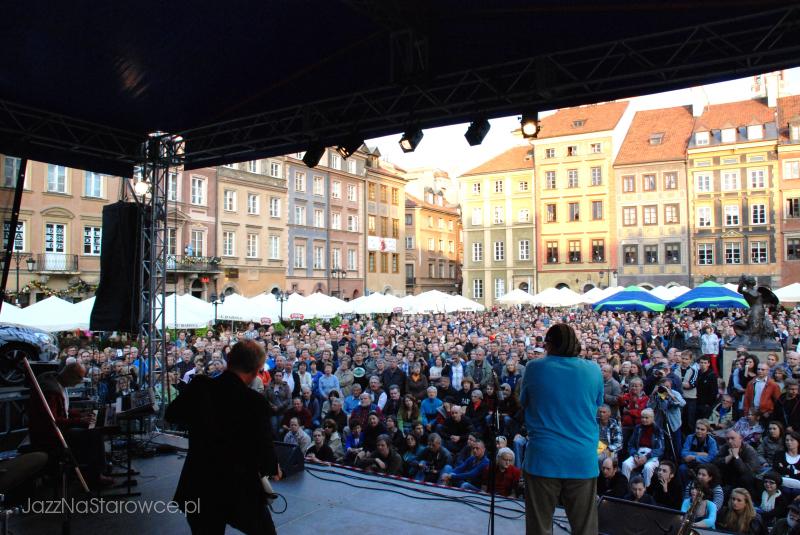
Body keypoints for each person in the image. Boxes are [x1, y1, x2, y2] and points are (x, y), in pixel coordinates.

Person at [165, 340, 280, 535]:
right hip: (239, 487)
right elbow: (265, 450)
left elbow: (171, 415)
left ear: (229, 361)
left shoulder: (200, 386)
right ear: (255, 370)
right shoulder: (255, 402)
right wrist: (272, 467)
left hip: (200, 483)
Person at [520, 323, 603, 535]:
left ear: (548, 345)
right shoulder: (594, 369)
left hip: (543, 458)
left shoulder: (534, 368)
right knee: (585, 529)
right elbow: (597, 403)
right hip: (581, 457)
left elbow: (524, 402)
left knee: (539, 528)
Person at [27, 362, 111, 489]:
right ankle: (95, 476)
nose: (80, 381)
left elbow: (64, 411)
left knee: (93, 427)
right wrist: (80, 420)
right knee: (94, 433)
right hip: (51, 435)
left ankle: (95, 466)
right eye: (79, 378)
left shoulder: (58, 383)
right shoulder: (51, 392)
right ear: (70, 375)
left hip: (58, 429)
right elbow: (53, 420)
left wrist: (81, 415)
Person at [621, 408, 664, 486]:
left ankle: (646, 490)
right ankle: (625, 487)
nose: (644, 419)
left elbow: (660, 449)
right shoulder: (638, 428)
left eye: (646, 418)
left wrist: (647, 457)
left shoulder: (658, 430)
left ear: (652, 418)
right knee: (625, 464)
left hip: (652, 454)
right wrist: (635, 454)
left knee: (648, 467)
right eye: (642, 417)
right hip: (638, 452)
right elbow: (631, 444)